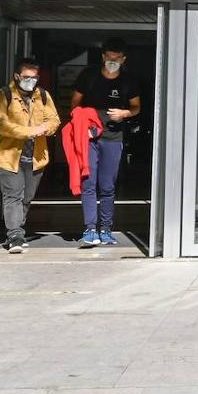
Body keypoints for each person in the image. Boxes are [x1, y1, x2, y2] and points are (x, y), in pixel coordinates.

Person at [71, 38, 142, 248]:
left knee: (108, 185)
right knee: (89, 182)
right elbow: (74, 103)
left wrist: (124, 113)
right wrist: (83, 120)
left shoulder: (128, 81)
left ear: (123, 59)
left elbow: (137, 107)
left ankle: (106, 229)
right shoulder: (89, 76)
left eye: (117, 58)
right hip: (88, 137)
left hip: (113, 138)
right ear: (103, 57)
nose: (112, 61)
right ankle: (90, 229)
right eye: (109, 57)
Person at [0, 58, 60, 254]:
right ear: (17, 76)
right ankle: (15, 235)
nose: (31, 81)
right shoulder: (4, 95)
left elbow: (54, 119)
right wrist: (28, 131)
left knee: (27, 197)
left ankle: (17, 230)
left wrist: (47, 128)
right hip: (8, 156)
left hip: (36, 157)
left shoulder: (43, 96)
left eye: (34, 77)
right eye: (27, 77)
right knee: (13, 196)